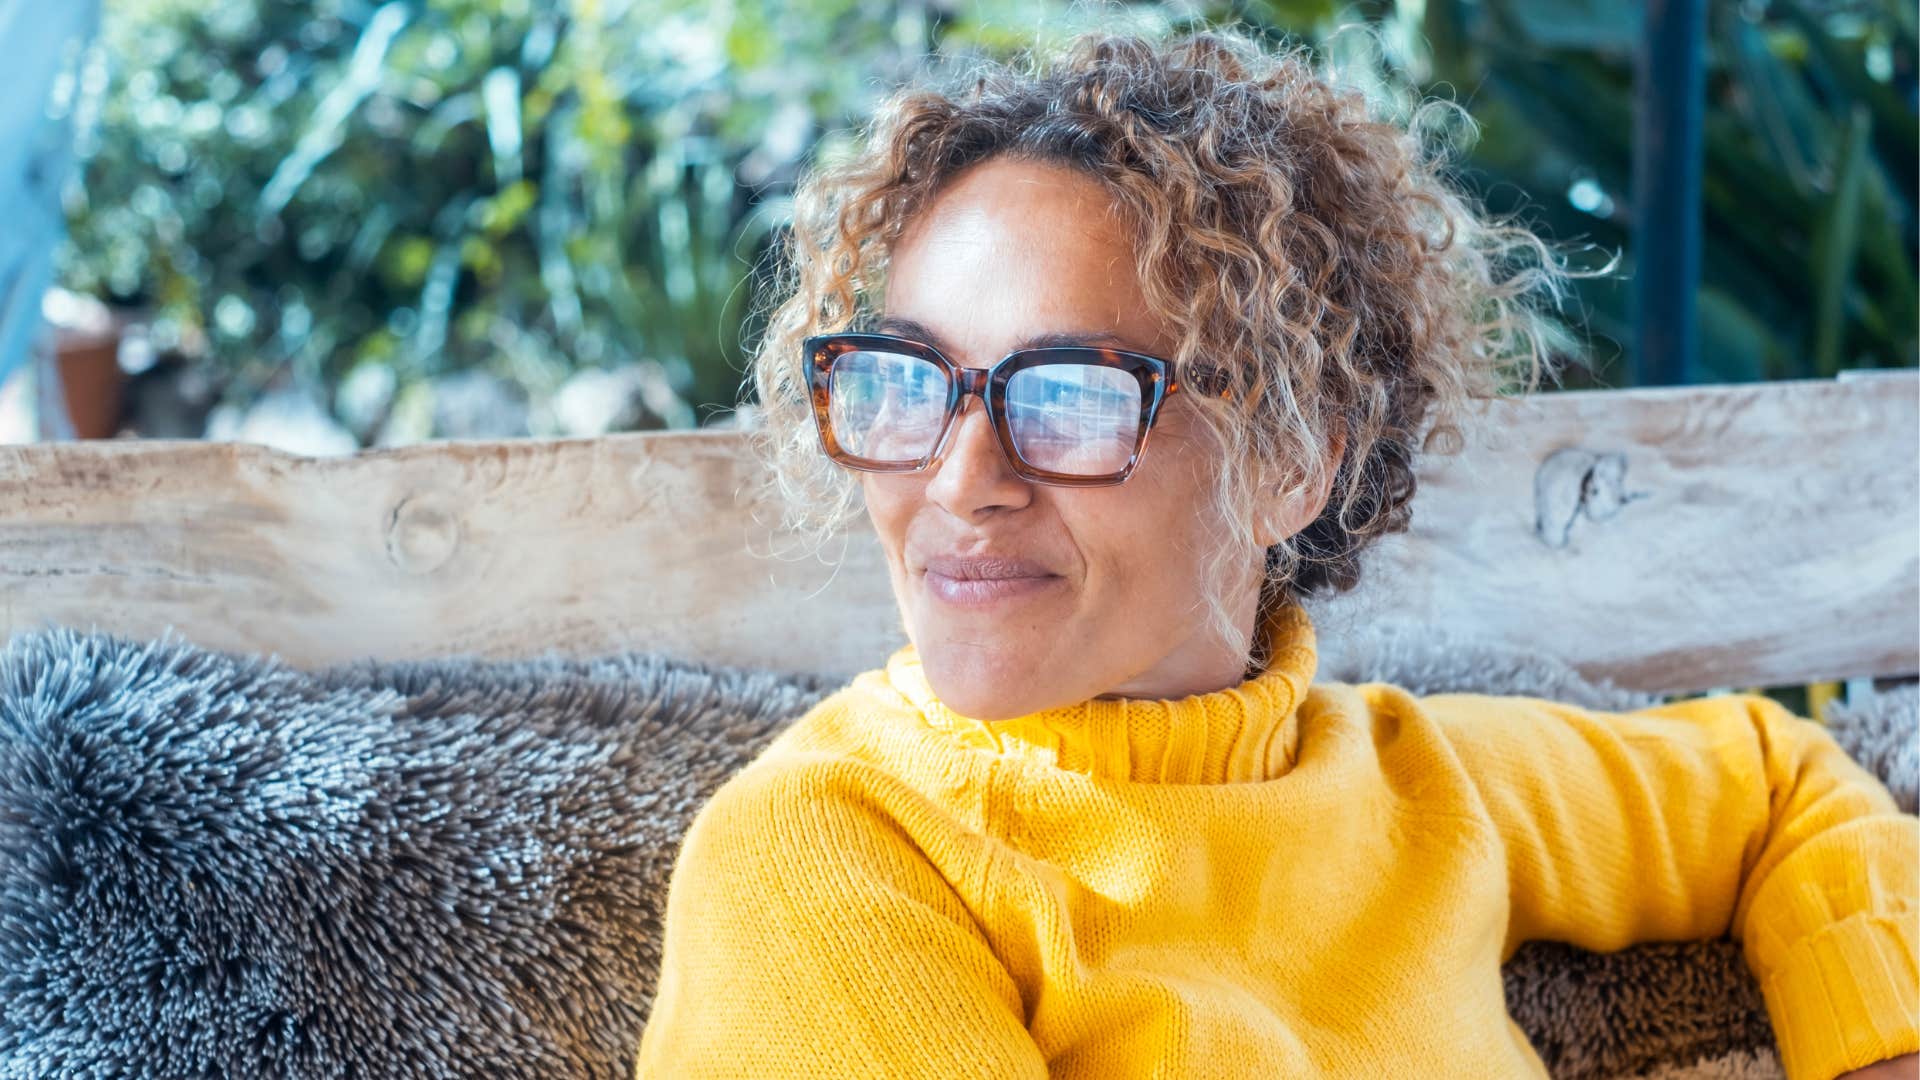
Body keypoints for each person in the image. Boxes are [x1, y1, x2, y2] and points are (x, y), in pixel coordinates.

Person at [633, 25, 1918, 1080]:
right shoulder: (816, 858)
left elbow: (1777, 787)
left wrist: (1873, 1038)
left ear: (1293, 464)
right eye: (908, 380)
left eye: (1070, 397)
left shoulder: (1421, 786)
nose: (962, 482)